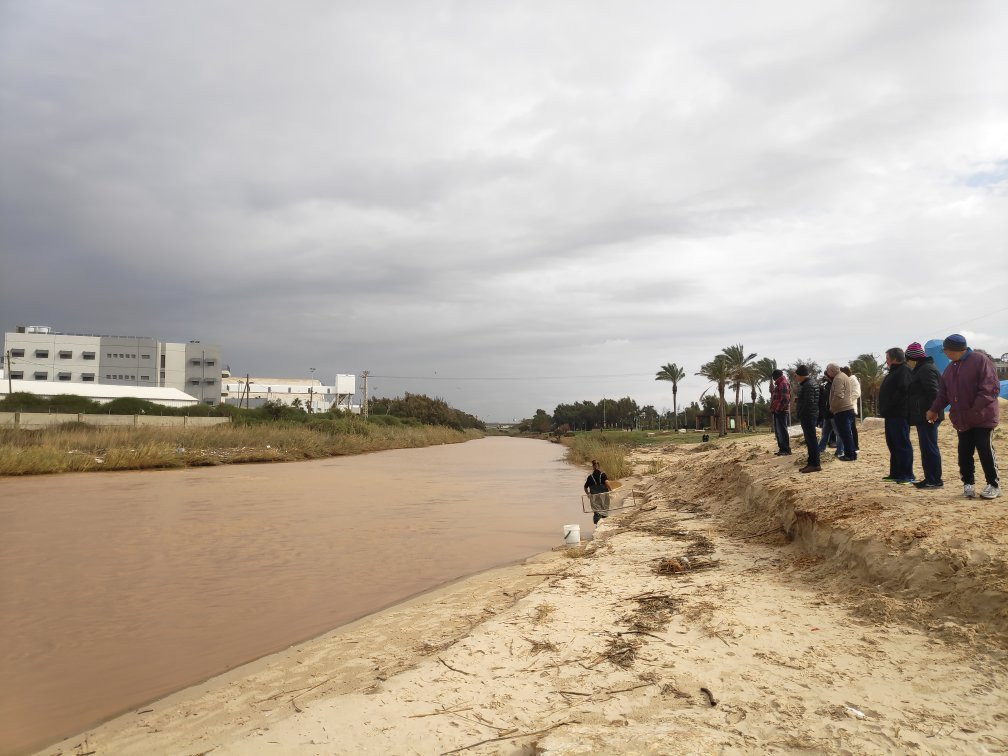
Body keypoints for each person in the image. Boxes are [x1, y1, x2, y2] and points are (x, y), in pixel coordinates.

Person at [927, 334, 1001, 499]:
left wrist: (974, 409)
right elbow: (943, 394)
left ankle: (994, 485)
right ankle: (968, 483)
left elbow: (990, 388)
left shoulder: (980, 360)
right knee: (964, 452)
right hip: (962, 419)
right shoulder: (951, 367)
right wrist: (934, 409)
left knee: (985, 449)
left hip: (982, 417)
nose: (944, 352)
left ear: (954, 349)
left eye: (945, 349)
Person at [905, 341, 944, 489]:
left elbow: (934, 392)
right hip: (924, 415)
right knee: (927, 448)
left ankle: (934, 480)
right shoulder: (922, 368)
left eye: (907, 359)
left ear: (913, 359)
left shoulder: (926, 369)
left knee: (929, 448)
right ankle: (930, 478)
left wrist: (933, 412)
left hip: (929, 416)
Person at [879, 347, 914, 484]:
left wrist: (890, 404)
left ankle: (907, 475)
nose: (886, 361)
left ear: (894, 359)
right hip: (891, 415)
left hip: (899, 414)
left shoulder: (904, 371)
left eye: (887, 358)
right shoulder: (894, 372)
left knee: (902, 444)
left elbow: (903, 392)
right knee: (893, 444)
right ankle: (895, 473)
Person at [826, 363, 857, 461]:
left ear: (831, 370)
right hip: (847, 409)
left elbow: (839, 395)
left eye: (827, 370)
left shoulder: (838, 378)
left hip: (842, 410)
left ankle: (850, 455)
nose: (827, 373)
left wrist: (832, 407)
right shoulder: (843, 376)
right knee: (847, 434)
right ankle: (851, 453)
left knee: (845, 434)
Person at [795, 365, 821, 473]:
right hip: (809, 415)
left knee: (811, 440)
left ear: (801, 375)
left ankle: (815, 464)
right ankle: (811, 463)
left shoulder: (808, 385)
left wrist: (801, 412)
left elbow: (809, 402)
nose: (796, 378)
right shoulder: (809, 383)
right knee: (809, 440)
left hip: (808, 416)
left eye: (796, 375)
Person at [769, 368, 792, 456]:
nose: (773, 379)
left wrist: (777, 410)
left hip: (781, 411)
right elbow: (776, 398)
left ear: (776, 376)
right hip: (777, 411)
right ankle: (782, 449)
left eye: (774, 377)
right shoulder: (779, 384)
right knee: (779, 431)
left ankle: (786, 449)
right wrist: (772, 408)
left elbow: (785, 400)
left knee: (782, 431)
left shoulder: (783, 384)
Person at [584, 459, 613, 524]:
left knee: (597, 510)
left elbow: (585, 487)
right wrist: (611, 491)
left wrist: (588, 493)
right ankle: (604, 522)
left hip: (594, 497)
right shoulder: (603, 475)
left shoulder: (590, 477)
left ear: (593, 467)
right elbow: (607, 482)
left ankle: (598, 522)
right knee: (604, 508)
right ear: (599, 466)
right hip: (604, 496)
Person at [841, 366, 861, 454]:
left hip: (850, 408)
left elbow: (856, 393)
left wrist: (846, 401)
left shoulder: (853, 380)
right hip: (845, 408)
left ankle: (856, 447)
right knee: (848, 429)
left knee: (852, 429)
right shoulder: (846, 380)